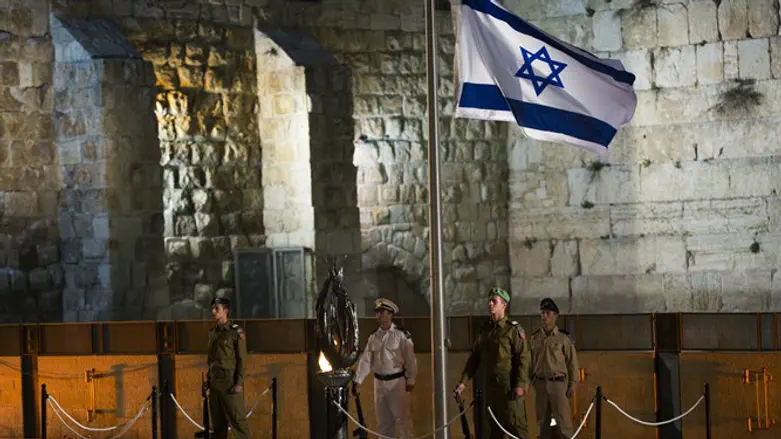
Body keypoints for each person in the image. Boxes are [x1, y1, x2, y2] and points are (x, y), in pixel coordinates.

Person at [455, 287, 531, 439]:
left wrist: (521, 384)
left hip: (509, 388)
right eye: (489, 301)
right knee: (494, 431)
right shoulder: (485, 331)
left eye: (494, 301)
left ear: (503, 305)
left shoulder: (512, 330)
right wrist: (463, 381)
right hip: (491, 388)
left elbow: (523, 358)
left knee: (517, 429)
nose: (490, 304)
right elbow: (474, 357)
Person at [354, 298, 418, 438]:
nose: (380, 315)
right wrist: (358, 380)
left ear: (391, 314)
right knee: (383, 424)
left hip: (397, 382)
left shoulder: (401, 335)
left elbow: (410, 358)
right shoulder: (373, 337)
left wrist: (411, 379)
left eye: (383, 312)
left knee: (403, 422)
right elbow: (366, 360)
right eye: (378, 312)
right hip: (379, 383)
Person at [529, 298, 579, 439]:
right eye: (543, 313)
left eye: (548, 313)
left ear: (555, 316)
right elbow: (529, 363)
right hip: (540, 384)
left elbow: (572, 363)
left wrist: (572, 385)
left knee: (564, 425)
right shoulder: (534, 338)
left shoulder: (563, 339)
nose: (544, 316)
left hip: (558, 385)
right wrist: (532, 382)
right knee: (542, 424)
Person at [207, 297, 250, 439]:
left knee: (238, 421)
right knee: (218, 425)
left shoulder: (235, 332)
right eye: (212, 308)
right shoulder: (213, 332)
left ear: (225, 311)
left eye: (217, 308)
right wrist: (208, 380)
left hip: (229, 383)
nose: (213, 311)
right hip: (215, 384)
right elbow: (211, 359)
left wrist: (239, 383)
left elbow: (242, 359)